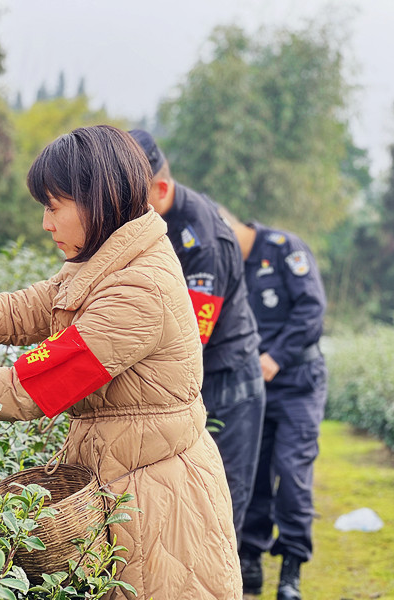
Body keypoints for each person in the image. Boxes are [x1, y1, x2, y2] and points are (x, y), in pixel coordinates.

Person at [0, 125, 243, 600]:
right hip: (119, 473)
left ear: (97, 200)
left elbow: (36, 384)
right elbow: (21, 309)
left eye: (54, 206)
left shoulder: (139, 289)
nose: (46, 223)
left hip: (156, 500)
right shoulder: (107, 262)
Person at [128, 130, 266, 565]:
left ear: (160, 189)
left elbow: (192, 339)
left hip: (227, 381)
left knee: (221, 507)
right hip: (196, 379)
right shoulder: (157, 223)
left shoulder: (202, 241)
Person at [223, 215, 327, 600]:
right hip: (253, 387)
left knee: (292, 472)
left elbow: (312, 309)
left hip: (298, 381)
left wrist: (277, 357)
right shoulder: (227, 261)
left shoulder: (285, 248)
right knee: (253, 473)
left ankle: (292, 568)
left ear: (231, 226)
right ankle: (250, 558)